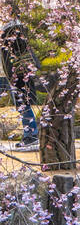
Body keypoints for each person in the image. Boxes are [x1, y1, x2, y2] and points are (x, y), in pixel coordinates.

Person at [0, 21, 39, 150]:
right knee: (23, 105)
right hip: (15, 75)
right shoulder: (16, 41)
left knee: (23, 105)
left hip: (18, 76)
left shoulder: (13, 40)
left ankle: (31, 134)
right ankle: (30, 134)